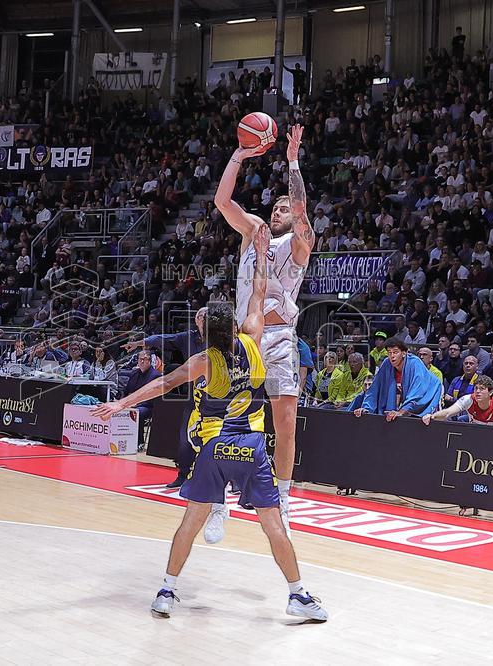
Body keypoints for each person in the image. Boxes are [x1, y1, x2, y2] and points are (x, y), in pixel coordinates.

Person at [92, 225, 327, 622]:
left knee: (189, 525)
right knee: (274, 527)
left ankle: (167, 589)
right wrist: (262, 252)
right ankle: (297, 594)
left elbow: (162, 384)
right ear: (234, 327)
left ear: (209, 333)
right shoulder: (253, 340)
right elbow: (258, 290)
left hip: (216, 449)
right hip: (251, 449)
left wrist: (121, 405)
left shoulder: (204, 362)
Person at [213, 124, 315, 538]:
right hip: (241, 336)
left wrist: (292, 159)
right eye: (275, 208)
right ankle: (216, 499)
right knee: (219, 418)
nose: (277, 212)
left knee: (285, 422)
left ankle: (283, 499)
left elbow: (303, 207)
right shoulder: (253, 231)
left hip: (277, 341)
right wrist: (240, 154)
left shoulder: (301, 244)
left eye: (284, 209)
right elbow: (222, 200)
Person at [124, 308, 207, 489]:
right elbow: (164, 339)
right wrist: (142, 343)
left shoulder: (220, 338)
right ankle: (183, 475)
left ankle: (234, 481)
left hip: (221, 397)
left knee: (225, 438)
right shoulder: (188, 337)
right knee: (185, 437)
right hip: (196, 396)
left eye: (206, 316)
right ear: (196, 319)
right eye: (200, 315)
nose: (203, 318)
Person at [352, 338, 441, 419]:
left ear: (403, 353)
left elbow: (417, 390)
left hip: (431, 391)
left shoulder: (415, 362)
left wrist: (401, 412)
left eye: (395, 352)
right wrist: (366, 408)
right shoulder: (387, 363)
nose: (392, 356)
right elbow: (375, 387)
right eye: (389, 352)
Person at [421, 375, 493, 426]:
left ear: (490, 392)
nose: (478, 392)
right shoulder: (469, 399)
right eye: (476, 388)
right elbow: (448, 412)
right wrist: (432, 416)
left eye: (482, 389)